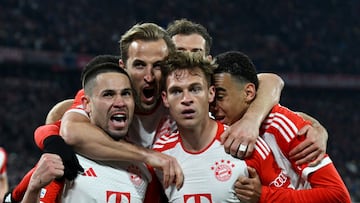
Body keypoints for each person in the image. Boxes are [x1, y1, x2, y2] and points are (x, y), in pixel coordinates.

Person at [166, 18, 327, 166]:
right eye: (180, 52)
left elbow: (270, 81)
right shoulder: (151, 93)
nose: (187, 59)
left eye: (196, 52)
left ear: (208, 61)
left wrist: (316, 127)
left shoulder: (212, 101)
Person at [153, 51, 296, 202]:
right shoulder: (159, 155)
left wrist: (262, 197)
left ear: (211, 93)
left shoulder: (245, 144)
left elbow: (286, 197)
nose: (186, 99)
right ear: (165, 99)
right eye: (176, 91)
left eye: (195, 89)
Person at [211, 51, 351, 203]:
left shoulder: (282, 125)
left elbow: (338, 196)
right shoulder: (209, 123)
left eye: (220, 97)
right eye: (210, 98)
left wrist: (264, 196)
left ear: (249, 93)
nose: (213, 106)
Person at [23, 62, 162, 202]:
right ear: (87, 104)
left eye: (126, 94)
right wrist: (33, 189)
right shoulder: (65, 157)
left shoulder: (145, 168)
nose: (120, 102)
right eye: (108, 95)